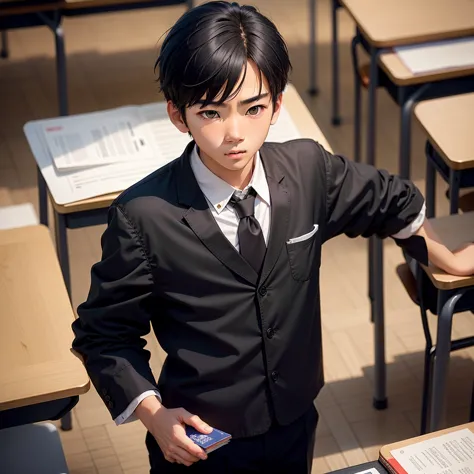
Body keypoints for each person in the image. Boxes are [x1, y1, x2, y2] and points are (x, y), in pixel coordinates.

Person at [71, 2, 474, 473]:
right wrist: (154, 415)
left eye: (253, 108)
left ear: (278, 104)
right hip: (201, 441)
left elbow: (386, 197)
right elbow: (103, 336)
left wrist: (441, 253)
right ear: (179, 116)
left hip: (296, 421)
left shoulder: (308, 169)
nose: (234, 133)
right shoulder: (142, 216)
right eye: (210, 112)